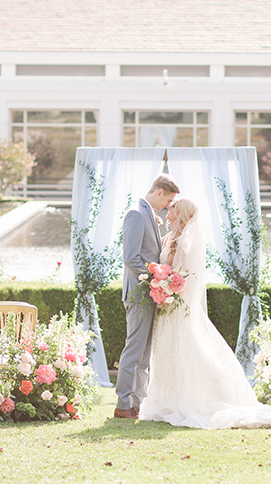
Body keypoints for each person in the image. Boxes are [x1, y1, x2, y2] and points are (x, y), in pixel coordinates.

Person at [138, 197, 271, 429]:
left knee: (185, 348)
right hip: (166, 306)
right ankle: (167, 397)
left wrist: (166, 287)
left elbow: (183, 277)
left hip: (177, 307)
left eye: (172, 207)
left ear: (182, 213)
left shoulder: (186, 242)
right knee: (170, 350)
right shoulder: (170, 237)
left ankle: (197, 395)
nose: (168, 209)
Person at [114, 173, 180, 419]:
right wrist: (157, 278)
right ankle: (122, 406)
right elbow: (131, 259)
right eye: (168, 200)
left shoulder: (149, 213)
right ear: (159, 191)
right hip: (139, 294)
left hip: (149, 294)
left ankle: (138, 404)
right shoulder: (135, 213)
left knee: (144, 353)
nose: (167, 206)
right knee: (134, 350)